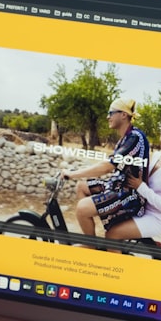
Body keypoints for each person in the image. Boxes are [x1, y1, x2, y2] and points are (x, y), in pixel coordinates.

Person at [64, 98, 150, 237]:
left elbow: (107, 167)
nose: (107, 116)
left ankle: (90, 246)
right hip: (116, 186)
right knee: (81, 186)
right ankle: (91, 227)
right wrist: (76, 172)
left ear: (123, 115)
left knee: (81, 208)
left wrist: (72, 174)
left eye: (111, 113)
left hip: (129, 195)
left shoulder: (135, 138)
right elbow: (107, 163)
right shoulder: (125, 138)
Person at [105, 121, 161, 245]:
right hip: (137, 206)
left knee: (112, 234)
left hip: (155, 217)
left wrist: (140, 186)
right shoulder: (156, 155)